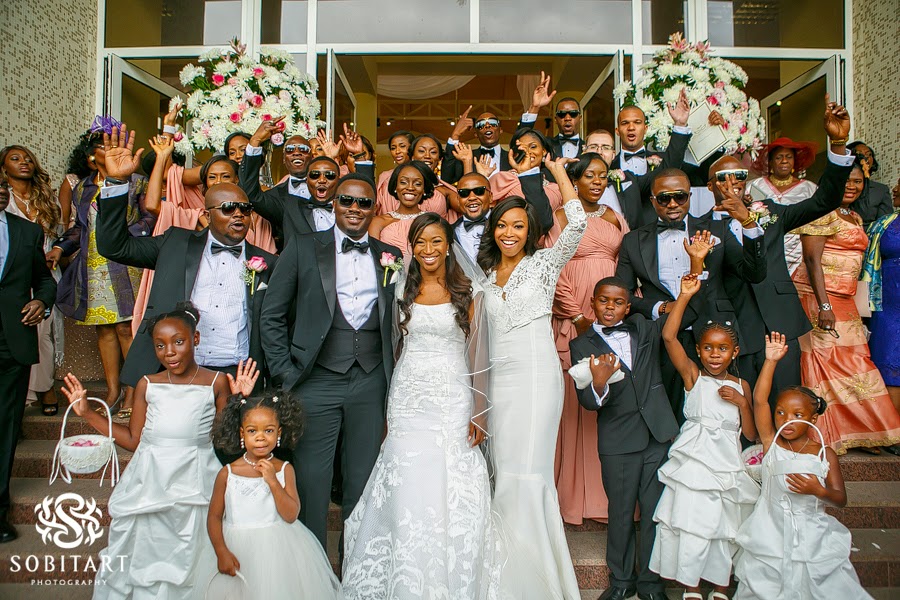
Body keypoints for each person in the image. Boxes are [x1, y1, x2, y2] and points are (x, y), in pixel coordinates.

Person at [343, 214, 499, 598]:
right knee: (406, 474)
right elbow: (395, 346)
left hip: (452, 394)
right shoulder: (400, 287)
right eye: (420, 242)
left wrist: (479, 410)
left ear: (449, 246)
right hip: (408, 396)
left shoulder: (469, 292)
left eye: (436, 241)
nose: (428, 249)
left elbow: (478, 355)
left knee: (450, 475)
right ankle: (404, 572)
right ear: (412, 247)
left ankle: (449, 573)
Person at [59, 304, 258, 599]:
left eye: (179, 342)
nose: (170, 352)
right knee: (147, 551)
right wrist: (88, 413)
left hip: (195, 481)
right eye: (160, 345)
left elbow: (226, 439)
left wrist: (239, 401)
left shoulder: (216, 382)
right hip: (149, 481)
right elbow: (133, 439)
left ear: (196, 339)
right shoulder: (147, 384)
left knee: (192, 551)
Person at [259, 173, 401, 549]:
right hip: (315, 380)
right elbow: (272, 315)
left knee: (362, 482)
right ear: (334, 204)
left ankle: (355, 569)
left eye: (364, 202)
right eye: (347, 200)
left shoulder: (390, 256)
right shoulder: (304, 247)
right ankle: (314, 571)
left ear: (374, 208)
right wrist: (286, 371)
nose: (355, 208)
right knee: (312, 483)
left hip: (371, 381)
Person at [95, 125, 277, 393]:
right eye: (228, 208)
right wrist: (116, 182)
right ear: (207, 214)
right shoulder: (175, 244)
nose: (238, 214)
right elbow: (114, 246)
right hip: (179, 370)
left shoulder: (268, 264)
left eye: (245, 208)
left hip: (240, 375)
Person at [478, 157, 585, 598]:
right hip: (497, 383)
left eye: (518, 227)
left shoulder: (544, 264)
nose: (509, 233)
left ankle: (535, 578)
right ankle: (503, 569)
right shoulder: (483, 277)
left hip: (538, 379)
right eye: (503, 225)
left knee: (528, 472)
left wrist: (558, 172)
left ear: (529, 231)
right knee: (504, 472)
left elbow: (577, 224)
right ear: (493, 230)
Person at [716, 95, 856, 399]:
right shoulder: (702, 225)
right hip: (735, 328)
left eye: (738, 176)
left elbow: (825, 200)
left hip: (779, 321)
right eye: (722, 178)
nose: (731, 183)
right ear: (711, 184)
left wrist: (838, 144)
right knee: (741, 409)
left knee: (786, 401)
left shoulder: (773, 212)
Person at [615, 168, 767, 420]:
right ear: (652, 200)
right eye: (664, 198)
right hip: (664, 334)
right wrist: (660, 307)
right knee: (669, 414)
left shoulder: (716, 230)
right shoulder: (634, 241)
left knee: (723, 412)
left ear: (690, 196)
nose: (672, 204)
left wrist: (749, 224)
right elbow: (623, 296)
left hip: (713, 332)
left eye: (680, 196)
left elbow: (754, 274)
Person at [733, 333, 873, 600]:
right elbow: (760, 400)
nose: (787, 420)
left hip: (811, 533)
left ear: (813, 418)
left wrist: (818, 490)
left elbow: (840, 499)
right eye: (781, 413)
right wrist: (771, 361)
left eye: (797, 415)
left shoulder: (824, 453)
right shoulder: (771, 442)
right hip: (770, 530)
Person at [651, 273, 759, 600]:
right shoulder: (693, 377)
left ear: (734, 352)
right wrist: (684, 296)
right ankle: (692, 587)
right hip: (695, 463)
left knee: (725, 525)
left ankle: (721, 587)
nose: (715, 354)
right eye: (708, 348)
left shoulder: (742, 386)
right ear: (698, 351)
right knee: (692, 522)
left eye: (722, 349)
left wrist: (743, 404)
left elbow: (750, 434)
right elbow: (669, 337)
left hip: (728, 464)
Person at [571, 277, 678, 600]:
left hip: (657, 434)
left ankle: (650, 583)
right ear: (593, 302)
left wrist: (686, 293)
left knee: (654, 512)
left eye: (618, 302)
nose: (610, 307)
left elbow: (674, 324)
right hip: (618, 441)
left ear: (628, 307)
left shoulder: (644, 329)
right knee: (620, 513)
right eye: (603, 300)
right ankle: (621, 580)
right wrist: (599, 383)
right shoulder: (581, 345)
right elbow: (588, 402)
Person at [791, 157, 900, 454]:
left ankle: (865, 432)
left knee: (856, 362)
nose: (851, 186)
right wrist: (824, 306)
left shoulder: (853, 216)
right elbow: (811, 259)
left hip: (846, 297)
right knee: (831, 364)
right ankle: (832, 433)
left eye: (857, 181)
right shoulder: (820, 212)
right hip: (818, 297)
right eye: (846, 180)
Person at [49, 122, 156, 418]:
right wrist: (60, 248)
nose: (108, 150)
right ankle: (112, 389)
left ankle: (133, 390)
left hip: (127, 263)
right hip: (93, 266)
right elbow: (79, 228)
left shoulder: (137, 182)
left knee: (126, 327)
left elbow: (149, 218)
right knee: (105, 328)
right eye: (101, 147)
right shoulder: (83, 187)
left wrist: (122, 237)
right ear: (91, 157)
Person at [549, 152, 626, 525]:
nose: (597, 182)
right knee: (574, 400)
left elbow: (625, 265)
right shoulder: (561, 217)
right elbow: (552, 269)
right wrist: (576, 316)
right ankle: (571, 498)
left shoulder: (614, 217)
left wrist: (619, 311)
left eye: (603, 176)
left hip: (611, 310)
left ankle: (603, 497)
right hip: (574, 312)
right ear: (574, 181)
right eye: (590, 176)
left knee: (609, 393)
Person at [207, 392, 342, 599]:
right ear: (242, 433)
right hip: (236, 548)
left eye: (268, 430)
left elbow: (291, 514)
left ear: (278, 432)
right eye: (252, 431)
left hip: (277, 552)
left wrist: (272, 481)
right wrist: (220, 551)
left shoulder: (284, 469)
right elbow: (214, 516)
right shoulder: (228, 473)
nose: (260, 437)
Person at [0, 180, 56, 542]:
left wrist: (41, 301)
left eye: (2, 185)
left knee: (6, 426)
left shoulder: (27, 231)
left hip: (11, 340)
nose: (0, 190)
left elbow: (44, 280)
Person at [0, 145, 64, 415]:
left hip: (44, 271)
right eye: (15, 159)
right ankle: (25, 394)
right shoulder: (5, 198)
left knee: (43, 334)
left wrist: (58, 249)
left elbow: (62, 233)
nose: (23, 162)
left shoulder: (46, 197)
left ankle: (45, 387)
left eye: (27, 159)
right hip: (14, 279)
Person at [747, 137, 820, 275]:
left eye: (789, 157)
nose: (784, 161)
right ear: (770, 162)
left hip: (798, 252)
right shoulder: (754, 185)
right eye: (779, 157)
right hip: (763, 249)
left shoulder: (810, 189)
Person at [863, 178, 900, 424]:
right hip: (887, 307)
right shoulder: (883, 224)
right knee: (887, 361)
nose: (894, 189)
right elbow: (866, 264)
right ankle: (893, 431)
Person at [377, 134, 454, 218]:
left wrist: (465, 161)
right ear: (412, 156)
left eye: (433, 152)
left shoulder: (444, 190)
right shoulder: (387, 180)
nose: (427, 156)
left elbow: (464, 205)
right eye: (421, 151)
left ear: (439, 158)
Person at [368, 161, 434, 252]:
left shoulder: (432, 222)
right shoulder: (378, 222)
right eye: (403, 182)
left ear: (424, 189)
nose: (410, 188)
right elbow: (373, 255)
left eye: (417, 184)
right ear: (395, 186)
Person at [519, 72, 585, 158]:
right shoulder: (545, 144)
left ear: (580, 118)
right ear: (555, 119)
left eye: (573, 114)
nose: (567, 118)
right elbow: (521, 141)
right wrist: (535, 107)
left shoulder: (589, 147)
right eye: (562, 114)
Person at [442, 105, 511, 183]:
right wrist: (455, 135)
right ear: (476, 134)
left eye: (493, 123)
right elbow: (446, 179)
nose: (487, 125)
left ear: (500, 130)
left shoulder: (512, 158)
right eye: (481, 125)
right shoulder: (467, 157)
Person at [847, 141, 893, 226]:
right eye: (860, 154)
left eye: (869, 154)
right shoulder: (838, 186)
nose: (866, 158)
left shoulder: (881, 190)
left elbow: (885, 225)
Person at [452, 172, 494, 264]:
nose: (471, 197)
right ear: (458, 199)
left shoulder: (503, 224)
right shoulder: (449, 232)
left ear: (490, 197)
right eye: (464, 193)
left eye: (479, 191)